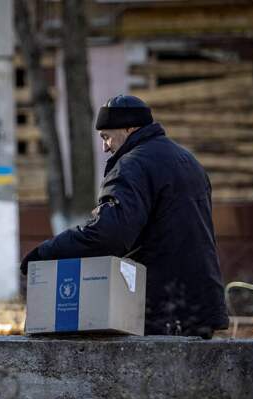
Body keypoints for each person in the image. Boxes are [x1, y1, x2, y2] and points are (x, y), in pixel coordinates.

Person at [20, 95, 229, 338]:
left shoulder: (133, 165)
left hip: (161, 306)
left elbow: (110, 235)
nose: (104, 147)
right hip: (201, 301)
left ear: (130, 128)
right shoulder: (187, 160)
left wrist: (47, 252)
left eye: (106, 136)